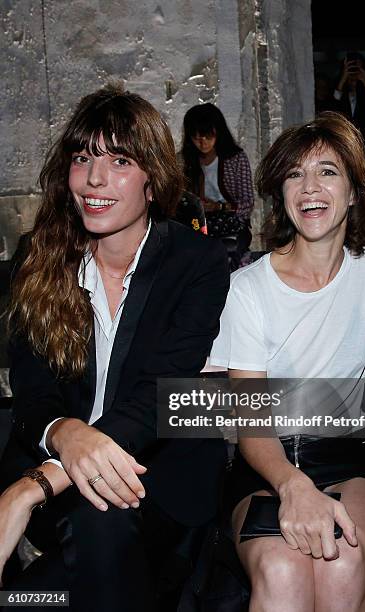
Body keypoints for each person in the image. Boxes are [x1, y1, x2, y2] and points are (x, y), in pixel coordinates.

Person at [0, 84, 230, 611]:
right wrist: (62, 432)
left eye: (119, 160)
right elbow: (33, 388)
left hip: (154, 486)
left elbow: (160, 397)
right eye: (82, 158)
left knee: (88, 533)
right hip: (55, 487)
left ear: (153, 180)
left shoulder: (196, 262)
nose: (95, 179)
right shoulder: (41, 256)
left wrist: (35, 484)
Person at [210, 111, 365, 611]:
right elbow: (250, 422)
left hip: (348, 457)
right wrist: (292, 485)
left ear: (354, 192)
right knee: (281, 570)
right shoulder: (247, 289)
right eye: (295, 173)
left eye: (328, 171)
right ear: (281, 194)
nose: (309, 187)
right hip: (266, 461)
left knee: (342, 561)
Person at [181, 103, 254, 270]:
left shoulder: (236, 158)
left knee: (227, 256)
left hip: (231, 223)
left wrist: (219, 207)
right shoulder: (187, 162)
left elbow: (247, 202)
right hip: (198, 223)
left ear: (218, 132)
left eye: (208, 136)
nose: (203, 142)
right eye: (196, 137)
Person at [333, 52, 365, 177]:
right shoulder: (338, 97)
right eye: (351, 68)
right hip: (342, 153)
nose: (354, 73)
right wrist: (342, 80)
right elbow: (330, 115)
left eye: (358, 69)